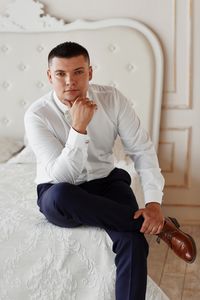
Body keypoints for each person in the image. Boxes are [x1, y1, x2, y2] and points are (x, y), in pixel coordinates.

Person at [24, 41, 196, 300]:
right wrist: (78, 129)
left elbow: (142, 150)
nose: (70, 81)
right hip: (61, 192)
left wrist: (153, 204)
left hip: (106, 183)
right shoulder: (37, 114)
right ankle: (162, 229)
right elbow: (62, 177)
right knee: (60, 195)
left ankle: (151, 224)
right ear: (50, 76)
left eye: (78, 72)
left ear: (90, 72)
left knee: (133, 241)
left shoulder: (112, 99)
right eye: (61, 73)